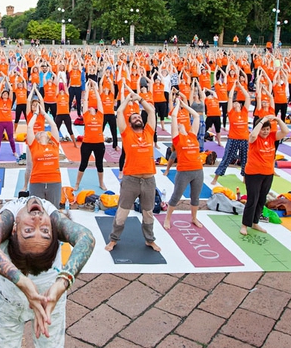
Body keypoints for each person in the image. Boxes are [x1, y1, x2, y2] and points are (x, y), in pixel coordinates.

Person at [0, 196, 95, 345]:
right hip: (50, 296)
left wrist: (21, 281)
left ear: (13, 229)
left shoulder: (8, 219)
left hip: (14, 296)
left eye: (29, 230)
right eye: (45, 231)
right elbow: (87, 238)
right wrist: (62, 283)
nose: (38, 220)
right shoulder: (54, 219)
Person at [106, 93, 160, 252]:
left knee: (148, 213)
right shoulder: (126, 133)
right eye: (134, 117)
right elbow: (119, 113)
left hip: (149, 180)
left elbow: (151, 112)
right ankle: (113, 240)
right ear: (129, 123)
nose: (137, 118)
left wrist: (140, 100)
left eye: (138, 117)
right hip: (131, 180)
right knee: (122, 213)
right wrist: (128, 99)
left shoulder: (149, 132)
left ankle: (150, 240)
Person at [240, 115, 288, 235]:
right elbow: (253, 135)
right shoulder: (254, 139)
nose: (265, 132)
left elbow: (285, 131)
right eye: (263, 129)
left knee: (262, 199)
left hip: (268, 173)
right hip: (253, 173)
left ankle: (255, 222)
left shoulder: (272, 136)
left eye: (267, 129)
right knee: (252, 199)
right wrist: (262, 121)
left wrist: (278, 120)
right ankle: (245, 225)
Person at [164, 100, 204, 230]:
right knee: (176, 196)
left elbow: (196, 116)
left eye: (183, 124)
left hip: (198, 171)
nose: (181, 124)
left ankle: (194, 218)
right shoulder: (177, 139)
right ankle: (167, 219)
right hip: (184, 171)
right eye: (179, 125)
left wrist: (185, 106)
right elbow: (174, 117)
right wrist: (177, 106)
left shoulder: (193, 136)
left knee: (195, 197)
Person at [210, 80, 250, 186]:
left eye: (238, 103)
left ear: (241, 106)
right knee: (227, 158)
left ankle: (245, 178)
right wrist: (233, 87)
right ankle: (216, 177)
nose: (236, 104)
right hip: (233, 139)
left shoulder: (245, 112)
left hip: (244, 139)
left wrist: (240, 86)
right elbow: (230, 97)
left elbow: (248, 97)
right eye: (234, 103)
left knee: (245, 159)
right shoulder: (231, 113)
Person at [73, 80, 106, 191]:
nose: (91, 107)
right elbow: (85, 102)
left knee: (99, 164)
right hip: (87, 143)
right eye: (89, 107)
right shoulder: (86, 115)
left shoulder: (100, 116)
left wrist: (96, 89)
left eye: (93, 107)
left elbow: (99, 101)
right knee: (83, 164)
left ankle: (101, 183)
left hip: (99, 143)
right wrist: (87, 89)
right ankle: (77, 183)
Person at [26, 110, 62, 206]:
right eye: (40, 132)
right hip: (37, 181)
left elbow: (54, 126)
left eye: (45, 132)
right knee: (37, 211)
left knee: (53, 211)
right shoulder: (34, 146)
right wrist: (36, 114)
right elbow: (29, 127)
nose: (42, 132)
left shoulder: (54, 144)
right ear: (36, 137)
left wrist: (44, 113)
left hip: (54, 181)